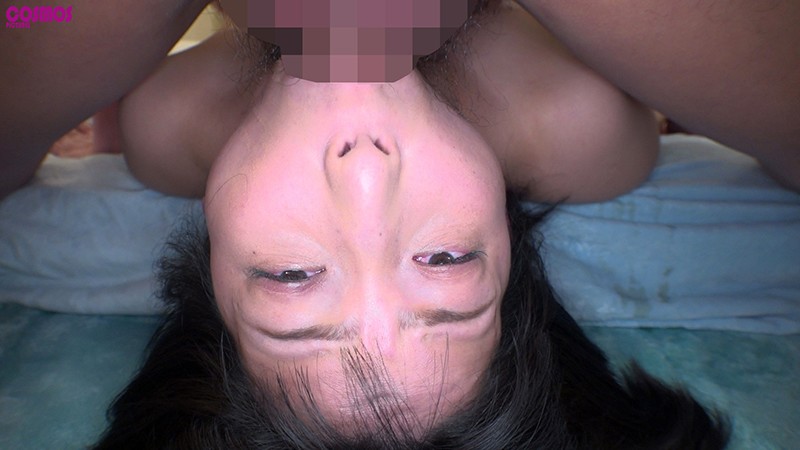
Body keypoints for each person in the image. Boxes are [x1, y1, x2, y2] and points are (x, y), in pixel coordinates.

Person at [2, 0, 796, 447]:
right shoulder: (575, 128)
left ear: (208, 264)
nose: (366, 174)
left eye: (292, 276)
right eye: (445, 259)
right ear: (507, 242)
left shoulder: (165, 124)